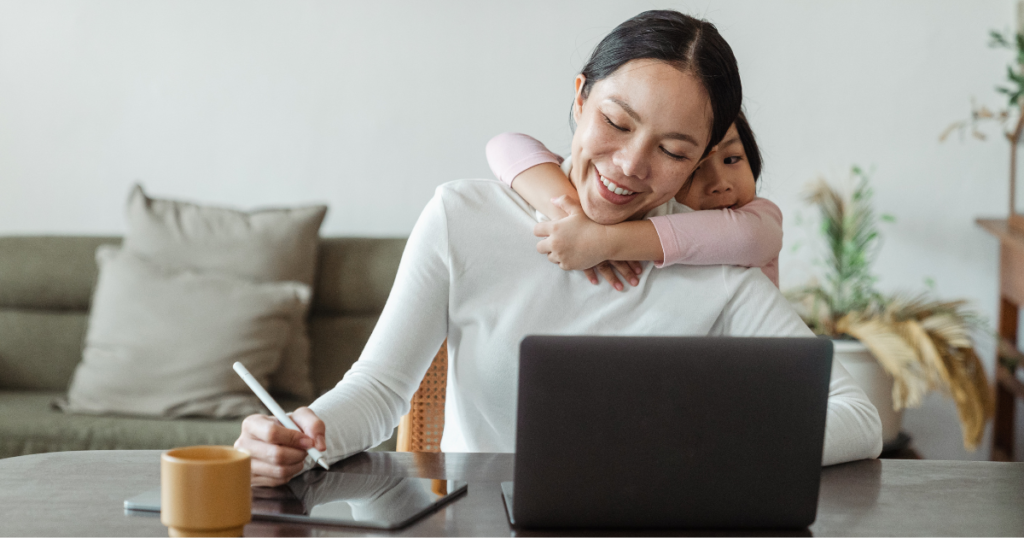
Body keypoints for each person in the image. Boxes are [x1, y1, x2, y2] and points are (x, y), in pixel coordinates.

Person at [236, 9, 883, 487]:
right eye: (616, 122)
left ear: (700, 162)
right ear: (578, 99)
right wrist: (299, 433)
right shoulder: (463, 218)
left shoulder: (715, 266)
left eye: (673, 150)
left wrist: (712, 445)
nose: (630, 165)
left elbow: (858, 417)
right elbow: (378, 392)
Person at [486, 111, 782, 289]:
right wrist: (572, 217)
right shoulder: (649, 208)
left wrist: (603, 240)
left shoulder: (759, 218)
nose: (720, 184)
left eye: (733, 159)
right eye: (694, 170)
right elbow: (505, 145)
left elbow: (747, 238)